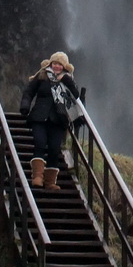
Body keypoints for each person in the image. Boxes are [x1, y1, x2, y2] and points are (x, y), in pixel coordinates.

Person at [19, 51, 80, 190]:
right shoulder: (42, 76)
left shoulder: (68, 79)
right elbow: (29, 91)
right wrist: (25, 106)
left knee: (54, 149)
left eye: (60, 64)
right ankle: (37, 177)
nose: (57, 66)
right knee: (39, 143)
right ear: (50, 63)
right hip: (39, 117)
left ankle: (50, 182)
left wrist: (66, 80)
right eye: (55, 63)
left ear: (64, 66)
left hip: (58, 120)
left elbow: (75, 96)